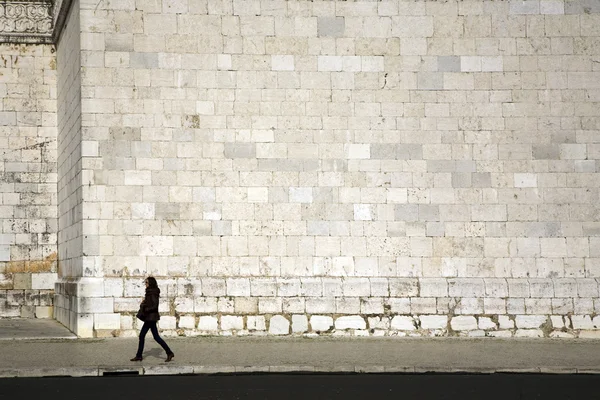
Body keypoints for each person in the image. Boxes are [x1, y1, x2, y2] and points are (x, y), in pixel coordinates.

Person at [130, 277, 174, 362]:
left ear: (150, 283)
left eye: (147, 283)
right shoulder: (150, 292)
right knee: (155, 337)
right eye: (145, 283)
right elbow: (150, 303)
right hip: (150, 317)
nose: (145, 284)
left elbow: (154, 306)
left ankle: (139, 356)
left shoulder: (153, 293)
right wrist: (144, 303)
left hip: (150, 318)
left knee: (144, 336)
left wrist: (146, 308)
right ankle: (169, 352)